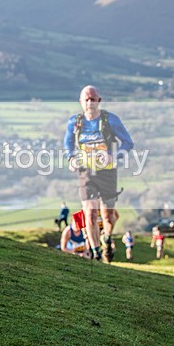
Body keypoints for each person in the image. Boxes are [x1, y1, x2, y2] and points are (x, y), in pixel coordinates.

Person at [64, 85, 134, 262]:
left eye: (93, 99)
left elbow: (128, 143)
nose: (89, 103)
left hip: (107, 173)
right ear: (80, 102)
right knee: (90, 213)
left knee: (108, 217)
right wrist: (71, 159)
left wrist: (114, 156)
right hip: (85, 172)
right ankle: (96, 255)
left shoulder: (110, 120)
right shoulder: (75, 122)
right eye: (86, 99)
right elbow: (68, 145)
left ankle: (107, 238)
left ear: (99, 101)